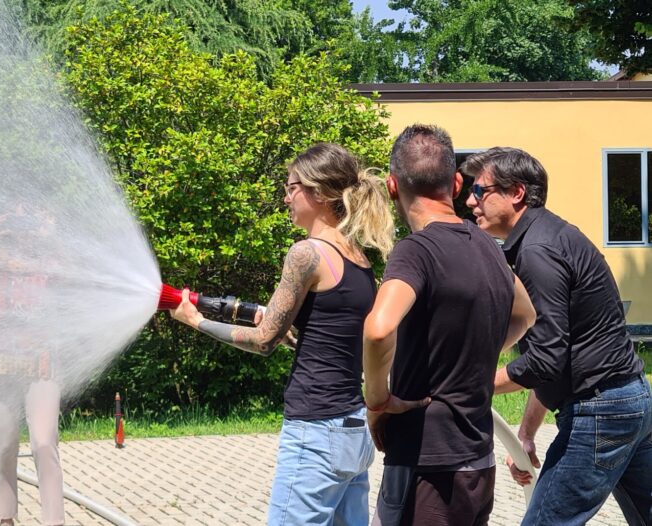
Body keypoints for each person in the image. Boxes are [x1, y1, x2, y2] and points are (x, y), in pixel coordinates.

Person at [170, 143, 395, 525]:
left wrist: (195, 321)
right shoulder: (358, 257)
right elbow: (334, 333)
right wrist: (295, 334)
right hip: (350, 428)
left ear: (319, 193)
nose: (286, 196)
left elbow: (262, 342)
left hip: (315, 432)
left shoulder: (306, 253)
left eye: (292, 187)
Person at [462, 146, 652, 526]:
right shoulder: (549, 236)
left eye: (481, 191)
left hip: (600, 410)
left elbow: (544, 361)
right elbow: (557, 355)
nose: (470, 201)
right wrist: (527, 433)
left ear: (516, 192)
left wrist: (467, 385)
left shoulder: (538, 251)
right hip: (630, 401)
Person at [363, 125, 536, 526]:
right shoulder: (489, 249)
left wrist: (377, 401)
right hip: (477, 461)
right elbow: (526, 314)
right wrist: (475, 356)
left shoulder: (415, 252)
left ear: (392, 187)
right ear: (457, 183)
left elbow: (378, 329)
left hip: (425, 462)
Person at [0, 203, 64, 526]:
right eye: (15, 225)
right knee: (4, 444)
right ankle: (6, 519)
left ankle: (54, 522)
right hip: (0, 367)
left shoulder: (45, 263)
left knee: (44, 443)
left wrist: (53, 237)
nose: (21, 233)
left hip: (42, 366)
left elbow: (75, 273)